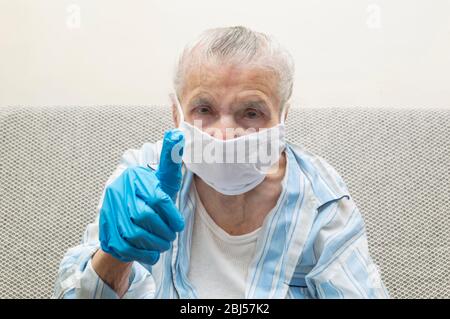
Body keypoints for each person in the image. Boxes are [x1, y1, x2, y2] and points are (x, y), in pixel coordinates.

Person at [53, 26, 389, 299]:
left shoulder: (320, 197)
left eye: (251, 113)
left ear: (283, 116)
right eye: (204, 110)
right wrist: (115, 256)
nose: (225, 134)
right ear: (176, 114)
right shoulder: (143, 174)